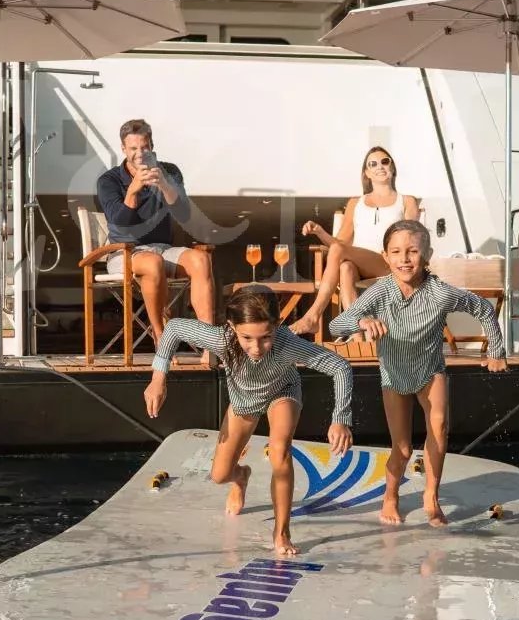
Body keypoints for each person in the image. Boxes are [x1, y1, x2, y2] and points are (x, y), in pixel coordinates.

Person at [144, 285, 354, 557]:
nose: (257, 348)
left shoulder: (287, 344)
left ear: (277, 325)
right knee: (219, 475)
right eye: (247, 338)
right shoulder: (221, 339)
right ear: (232, 327)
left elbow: (340, 366)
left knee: (280, 451)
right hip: (243, 401)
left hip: (282, 391)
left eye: (266, 337)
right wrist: (158, 378)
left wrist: (340, 418)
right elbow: (173, 329)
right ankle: (241, 476)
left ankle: (282, 532)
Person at [327, 219, 506, 528]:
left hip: (430, 371)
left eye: (412, 251)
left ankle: (431, 496)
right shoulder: (380, 292)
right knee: (403, 448)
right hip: (393, 376)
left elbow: (483, 309)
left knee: (439, 428)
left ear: (427, 255)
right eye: (396, 252)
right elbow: (335, 325)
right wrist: (362, 322)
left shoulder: (440, 293)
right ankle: (391, 495)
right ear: (385, 256)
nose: (404, 259)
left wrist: (496, 352)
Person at [95, 118, 216, 338]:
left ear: (152, 146)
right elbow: (121, 222)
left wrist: (165, 185)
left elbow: (184, 214)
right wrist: (132, 190)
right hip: (125, 252)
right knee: (153, 262)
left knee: (201, 259)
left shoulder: (169, 171)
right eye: (133, 148)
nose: (139, 154)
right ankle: (162, 338)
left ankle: (208, 341)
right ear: (123, 149)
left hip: (163, 249)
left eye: (144, 147)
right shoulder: (108, 180)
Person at [290, 146, 419, 336]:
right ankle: (358, 337)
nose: (380, 166)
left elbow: (411, 239)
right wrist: (320, 232)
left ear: (392, 167)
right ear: (366, 173)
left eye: (385, 161)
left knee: (339, 252)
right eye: (373, 164)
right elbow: (340, 242)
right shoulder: (355, 203)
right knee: (345, 267)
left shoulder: (407, 201)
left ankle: (313, 316)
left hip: (390, 263)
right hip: (360, 266)